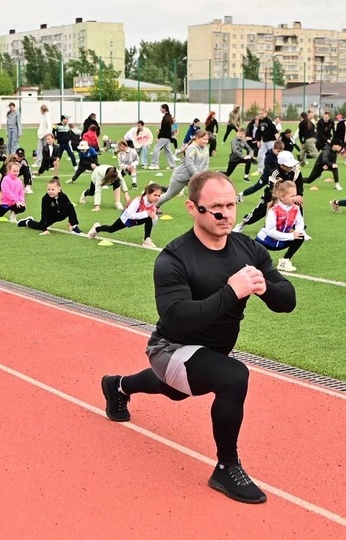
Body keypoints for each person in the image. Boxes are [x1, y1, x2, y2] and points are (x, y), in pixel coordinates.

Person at [100, 170, 296, 505]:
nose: (226, 214)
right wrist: (231, 292)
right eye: (215, 207)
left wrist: (266, 288)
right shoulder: (174, 258)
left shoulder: (247, 248)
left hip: (209, 352)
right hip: (170, 346)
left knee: (177, 390)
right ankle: (226, 466)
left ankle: (118, 385)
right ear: (193, 208)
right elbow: (177, 317)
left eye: (231, 205)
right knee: (233, 377)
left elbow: (287, 300)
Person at [234, 150, 302, 233]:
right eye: (289, 165)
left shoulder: (296, 172)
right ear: (281, 165)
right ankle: (242, 224)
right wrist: (276, 202)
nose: (291, 167)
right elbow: (271, 191)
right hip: (271, 197)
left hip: (290, 197)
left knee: (298, 205)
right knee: (258, 213)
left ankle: (300, 230)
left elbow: (299, 187)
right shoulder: (274, 173)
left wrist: (296, 197)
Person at [89, 182, 162, 248]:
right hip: (127, 219)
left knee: (149, 218)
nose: (157, 198)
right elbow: (129, 215)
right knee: (111, 229)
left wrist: (154, 218)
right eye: (155, 195)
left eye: (159, 195)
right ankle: (96, 228)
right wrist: (145, 214)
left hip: (137, 220)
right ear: (148, 193)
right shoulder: (138, 201)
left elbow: (152, 224)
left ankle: (147, 240)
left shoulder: (153, 206)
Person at [255, 180, 306, 272]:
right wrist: (291, 236)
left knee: (300, 237)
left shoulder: (296, 208)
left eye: (296, 195)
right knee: (254, 261)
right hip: (264, 242)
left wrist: (298, 231)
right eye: (292, 196)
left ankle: (285, 261)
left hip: (281, 241)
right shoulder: (274, 210)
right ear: (282, 197)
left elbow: (300, 223)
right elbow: (270, 232)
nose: (295, 198)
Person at [156, 129, 210, 210]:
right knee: (168, 195)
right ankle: (154, 206)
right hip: (181, 177)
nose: (206, 141)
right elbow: (189, 163)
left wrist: (202, 175)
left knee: (201, 193)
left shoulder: (206, 148)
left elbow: (206, 163)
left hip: (194, 178)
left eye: (207, 139)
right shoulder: (192, 148)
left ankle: (202, 210)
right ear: (197, 138)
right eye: (204, 139)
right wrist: (197, 175)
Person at [17, 177, 82, 235]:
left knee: (70, 205)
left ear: (59, 189)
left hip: (61, 214)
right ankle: (28, 221)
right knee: (40, 226)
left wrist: (71, 222)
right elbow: (44, 214)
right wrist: (44, 229)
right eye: (49, 189)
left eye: (53, 189)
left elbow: (69, 207)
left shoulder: (63, 196)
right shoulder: (45, 199)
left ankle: (74, 226)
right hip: (51, 216)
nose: (50, 191)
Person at [0, 159, 25, 223]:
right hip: (5, 203)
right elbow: (6, 191)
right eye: (14, 171)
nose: (16, 173)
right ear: (9, 170)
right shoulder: (6, 179)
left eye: (17, 171)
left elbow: (21, 193)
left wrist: (21, 201)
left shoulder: (19, 182)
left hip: (15, 203)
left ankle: (13, 214)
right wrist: (16, 200)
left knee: (22, 207)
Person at [148, 104, 176, 170]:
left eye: (161, 108)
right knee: (168, 151)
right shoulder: (168, 117)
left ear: (164, 109)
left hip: (164, 136)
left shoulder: (166, 118)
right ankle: (173, 165)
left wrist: (158, 137)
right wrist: (160, 130)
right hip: (167, 136)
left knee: (156, 149)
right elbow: (165, 128)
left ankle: (154, 164)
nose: (160, 110)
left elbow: (164, 129)